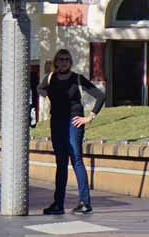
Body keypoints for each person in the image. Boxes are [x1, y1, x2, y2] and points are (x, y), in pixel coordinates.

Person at [39, 49, 106, 216]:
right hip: (56, 123)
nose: (64, 62)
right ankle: (58, 204)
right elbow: (40, 88)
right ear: (56, 61)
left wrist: (89, 118)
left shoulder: (77, 78)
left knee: (76, 158)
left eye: (67, 59)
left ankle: (85, 202)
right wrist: (48, 97)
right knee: (61, 162)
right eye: (61, 59)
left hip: (73, 122)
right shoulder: (50, 78)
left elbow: (100, 96)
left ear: (71, 62)